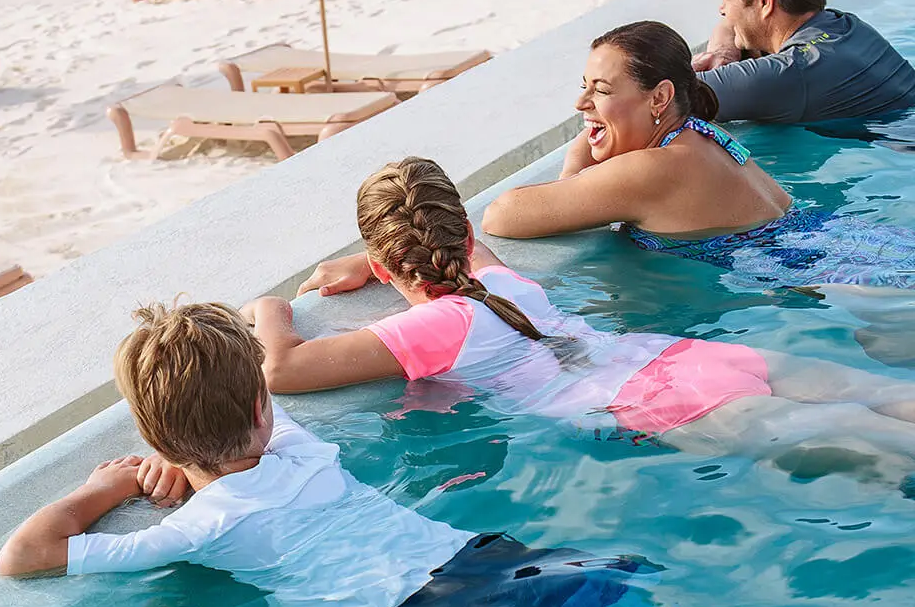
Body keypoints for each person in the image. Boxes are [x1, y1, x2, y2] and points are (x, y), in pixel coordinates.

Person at [0, 300, 863, 607]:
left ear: (154, 433)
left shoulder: (203, 529)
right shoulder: (304, 446)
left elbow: (25, 555)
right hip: (495, 561)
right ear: (260, 411)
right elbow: (254, 405)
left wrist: (109, 485)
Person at [271, 156, 915, 489]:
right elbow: (469, 250)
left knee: (863, 444)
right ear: (462, 232)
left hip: (652, 403)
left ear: (386, 268)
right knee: (880, 399)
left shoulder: (425, 331)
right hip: (678, 355)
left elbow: (283, 368)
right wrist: (373, 260)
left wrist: (266, 308)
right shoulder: (501, 280)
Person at [480, 20, 915, 289]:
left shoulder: (651, 169)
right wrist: (600, 128)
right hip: (854, 245)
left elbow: (502, 216)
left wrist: (580, 161)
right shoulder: (700, 134)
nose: (581, 104)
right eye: (584, 86)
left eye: (601, 91)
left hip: (842, 278)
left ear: (660, 98)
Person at [692, 0, 915, 123]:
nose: (722, 10)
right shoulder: (846, 26)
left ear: (764, 1)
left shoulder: (789, 73)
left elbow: (662, 98)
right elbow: (728, 25)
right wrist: (723, 51)